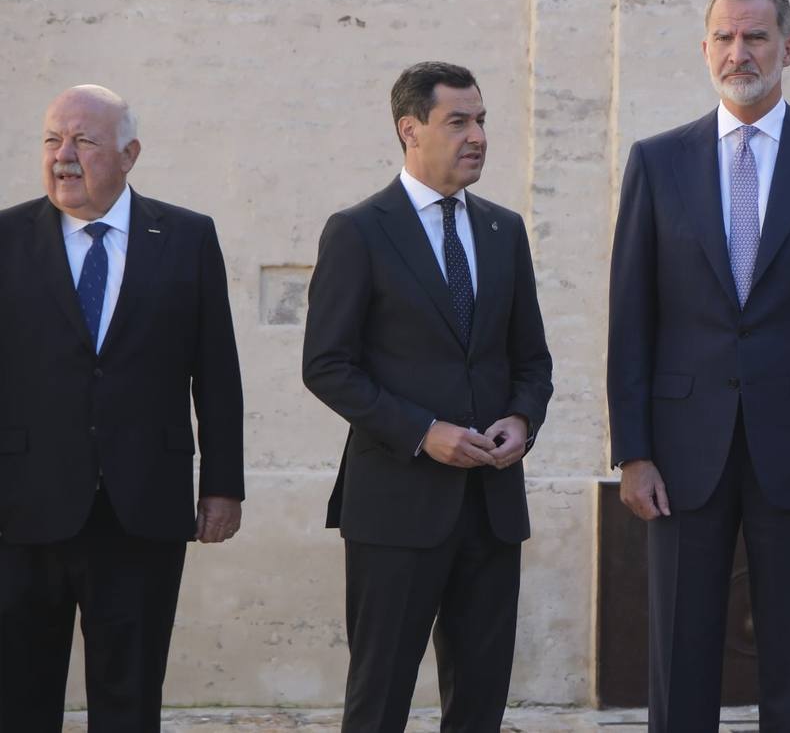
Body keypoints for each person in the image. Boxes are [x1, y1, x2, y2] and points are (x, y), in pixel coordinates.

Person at [607, 0, 790, 732]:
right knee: (679, 657)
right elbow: (630, 319)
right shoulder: (657, 161)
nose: (741, 52)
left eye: (756, 37)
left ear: (788, 48)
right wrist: (631, 450)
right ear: (705, 49)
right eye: (726, 38)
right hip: (679, 451)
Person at [302, 61, 553, 733]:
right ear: (410, 129)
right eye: (458, 121)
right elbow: (326, 365)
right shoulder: (358, 231)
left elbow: (532, 359)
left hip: (492, 508)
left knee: (479, 704)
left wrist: (521, 419)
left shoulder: (505, 231)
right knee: (379, 697)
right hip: (396, 508)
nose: (478, 136)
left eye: (481, 120)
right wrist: (423, 431)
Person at [0, 84, 245, 732]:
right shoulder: (4, 237)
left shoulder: (187, 238)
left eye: (83, 140)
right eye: (53, 140)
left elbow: (217, 372)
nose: (63, 156)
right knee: (18, 699)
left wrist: (223, 486)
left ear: (129, 153)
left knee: (129, 700)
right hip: (21, 508)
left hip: (142, 510)